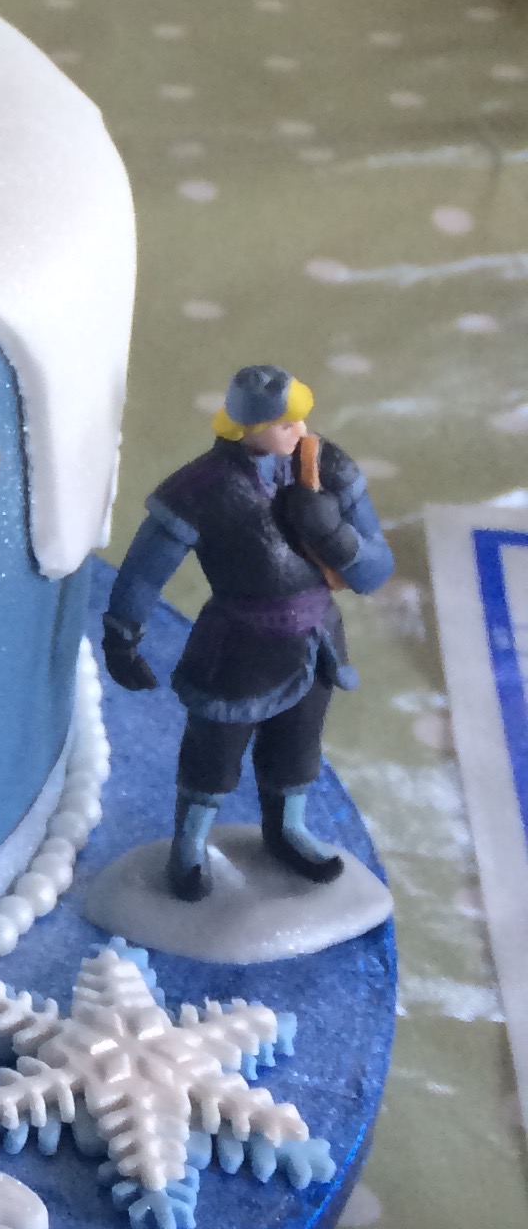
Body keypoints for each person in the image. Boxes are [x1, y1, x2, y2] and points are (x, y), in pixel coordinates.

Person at [102, 364, 393, 901]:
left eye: (301, 419)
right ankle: (190, 844)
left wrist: (333, 534)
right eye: (285, 424)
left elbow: (375, 572)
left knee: (298, 747)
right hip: (238, 648)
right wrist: (123, 632)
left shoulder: (327, 467)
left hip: (316, 639)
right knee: (213, 754)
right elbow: (146, 568)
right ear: (246, 427)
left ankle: (288, 830)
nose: (300, 432)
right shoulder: (201, 488)